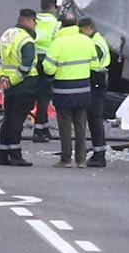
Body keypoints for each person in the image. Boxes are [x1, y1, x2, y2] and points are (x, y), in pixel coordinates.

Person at [43, 13, 100, 168]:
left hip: (63, 90)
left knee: (65, 126)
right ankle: (81, 160)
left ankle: (66, 159)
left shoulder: (58, 42)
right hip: (83, 89)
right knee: (81, 125)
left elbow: (48, 68)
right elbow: (95, 65)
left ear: (61, 25)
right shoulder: (87, 41)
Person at [0, 9, 39, 167]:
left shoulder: (6, 35)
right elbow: (26, 66)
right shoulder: (26, 40)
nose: (35, 26)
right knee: (16, 121)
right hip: (24, 86)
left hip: (9, 87)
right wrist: (12, 80)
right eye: (34, 22)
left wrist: (2, 78)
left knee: (8, 119)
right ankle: (15, 154)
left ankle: (3, 153)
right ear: (27, 21)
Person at [78, 17, 110, 168]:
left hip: (97, 84)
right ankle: (98, 153)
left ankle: (99, 155)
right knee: (93, 119)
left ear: (89, 28)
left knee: (95, 119)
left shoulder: (95, 43)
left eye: (82, 30)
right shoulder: (97, 40)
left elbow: (89, 62)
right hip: (98, 82)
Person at [31, 0, 59, 143]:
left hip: (33, 60)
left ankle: (44, 127)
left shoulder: (34, 20)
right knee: (44, 97)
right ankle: (39, 129)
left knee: (39, 96)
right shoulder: (55, 23)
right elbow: (57, 43)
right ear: (53, 7)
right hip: (48, 61)